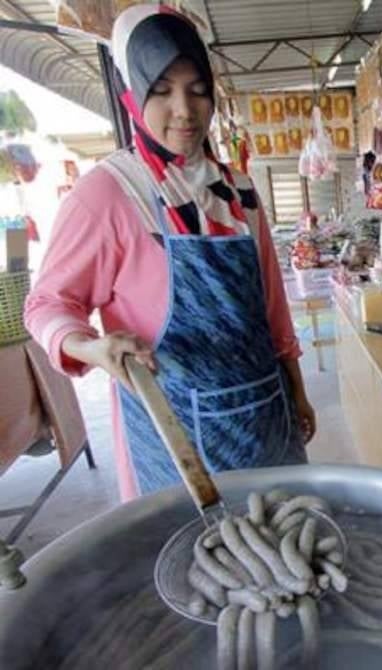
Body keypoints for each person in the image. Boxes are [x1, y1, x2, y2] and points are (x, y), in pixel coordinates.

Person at [24, 5, 314, 500]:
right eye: (161, 90)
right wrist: (91, 347)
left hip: (269, 414)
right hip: (179, 437)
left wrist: (297, 388)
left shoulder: (237, 189)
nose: (184, 109)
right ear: (133, 94)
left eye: (198, 90)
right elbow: (47, 305)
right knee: (200, 562)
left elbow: (272, 309)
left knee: (288, 542)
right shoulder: (111, 193)